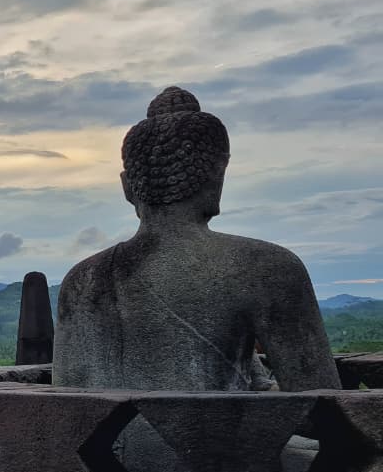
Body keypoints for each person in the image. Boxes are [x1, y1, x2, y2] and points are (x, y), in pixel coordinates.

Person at [54, 86, 340, 392]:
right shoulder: (269, 268)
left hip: (101, 427)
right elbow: (322, 403)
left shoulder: (81, 280)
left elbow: (66, 402)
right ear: (216, 174)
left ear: (127, 187)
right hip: (219, 426)